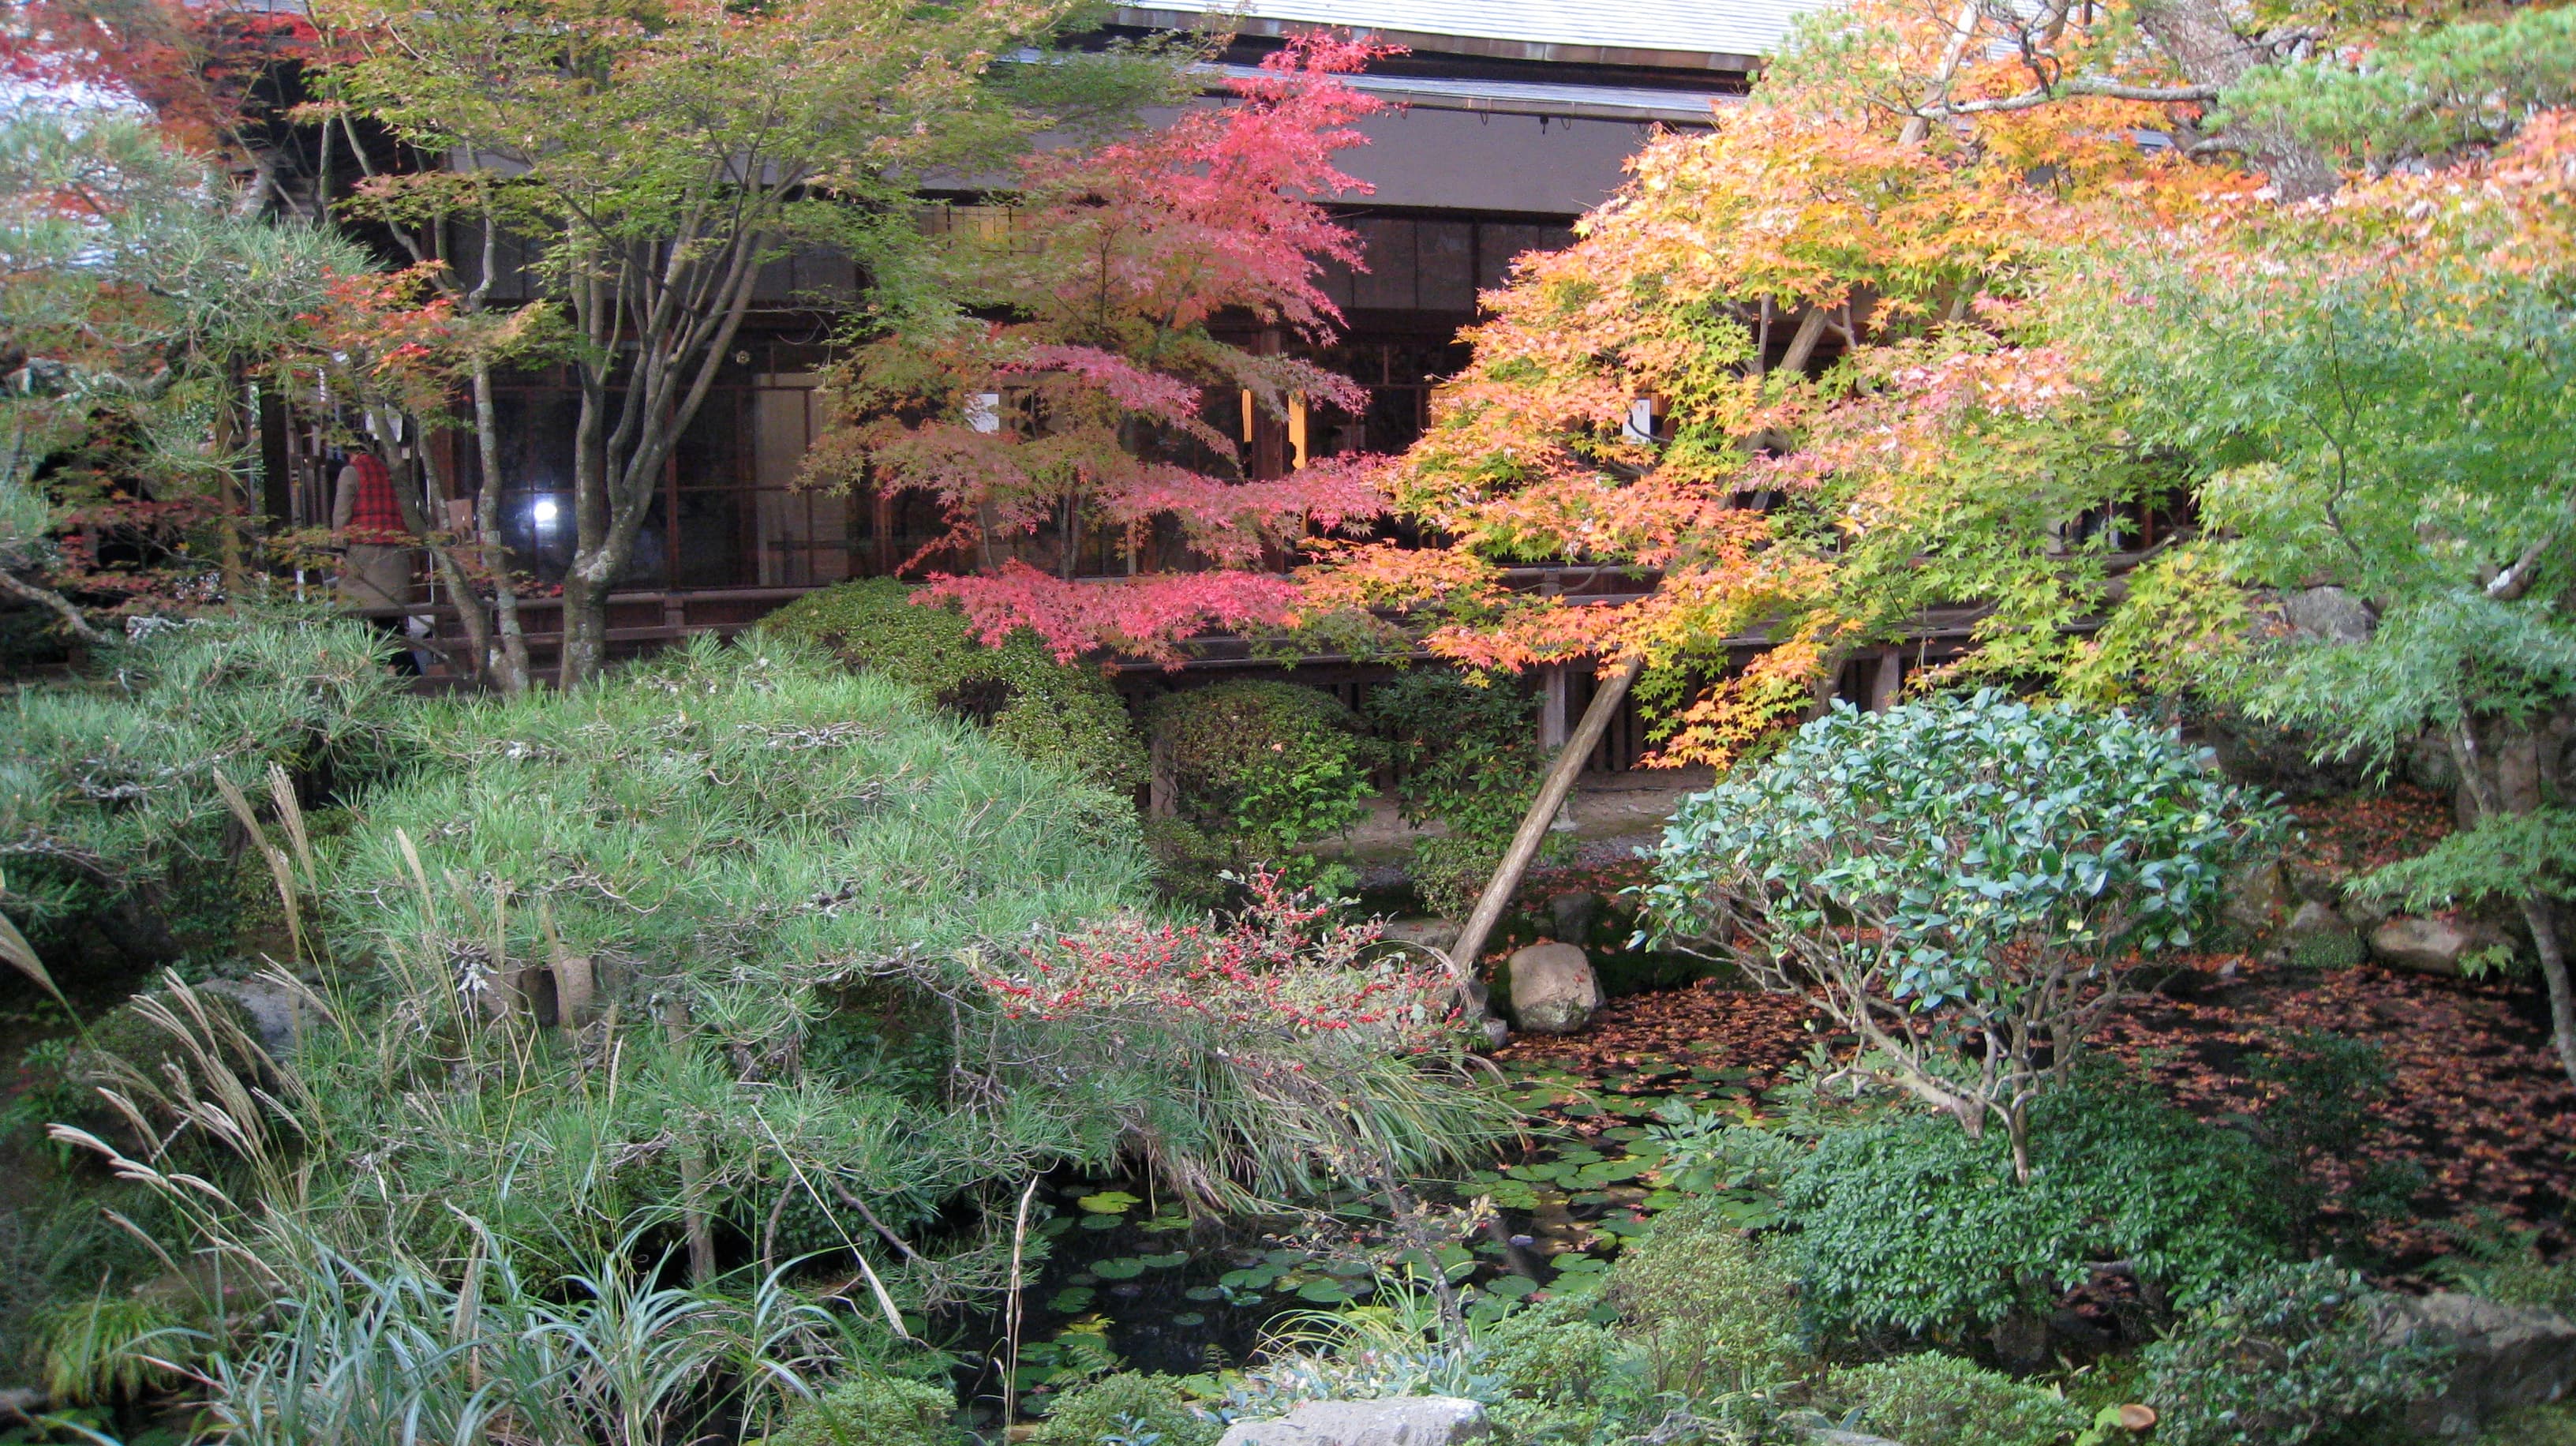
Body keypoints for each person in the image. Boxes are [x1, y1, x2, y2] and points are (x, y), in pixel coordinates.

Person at [331, 448, 429, 671]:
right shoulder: (393, 474)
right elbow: (410, 516)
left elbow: (341, 516)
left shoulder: (351, 473)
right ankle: (407, 675)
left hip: (362, 559)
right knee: (389, 625)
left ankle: (393, 676)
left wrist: (338, 552)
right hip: (396, 558)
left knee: (362, 625)